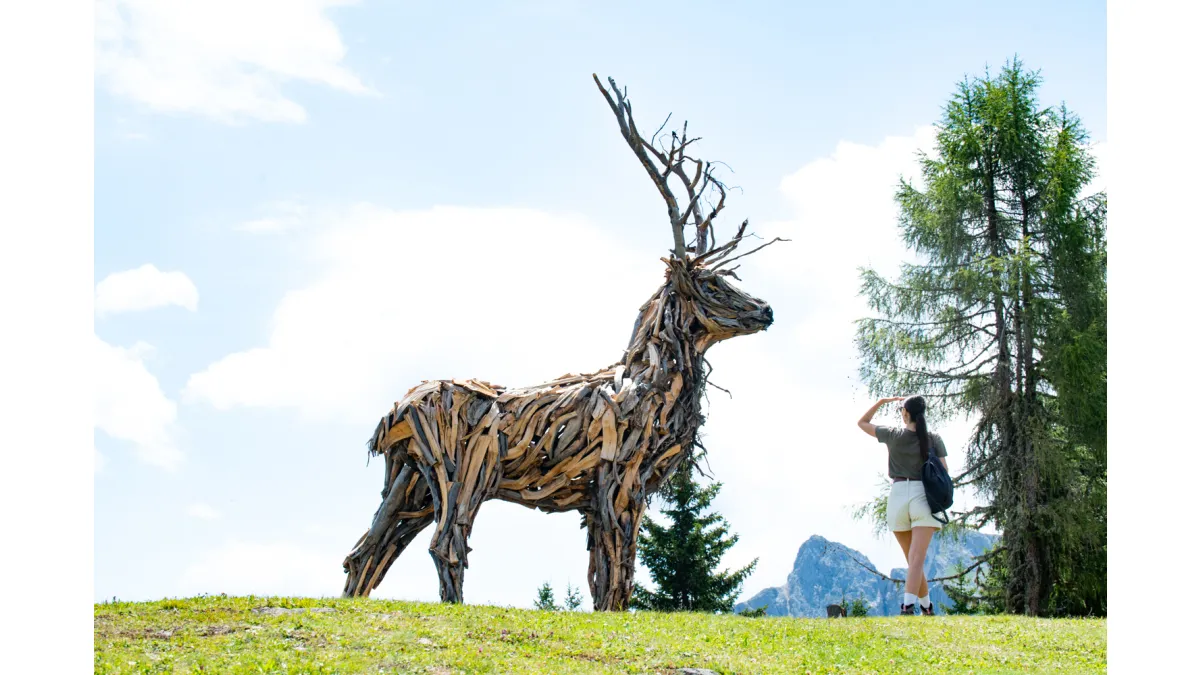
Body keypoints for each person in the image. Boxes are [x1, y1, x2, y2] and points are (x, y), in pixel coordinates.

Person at [857, 395, 949, 616]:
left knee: (912, 559)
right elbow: (944, 471)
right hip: (922, 496)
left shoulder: (893, 435)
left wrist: (881, 402)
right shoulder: (933, 438)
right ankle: (908, 606)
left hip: (897, 496)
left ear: (905, 413)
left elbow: (862, 423)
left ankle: (926, 607)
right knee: (916, 560)